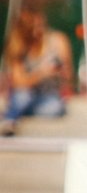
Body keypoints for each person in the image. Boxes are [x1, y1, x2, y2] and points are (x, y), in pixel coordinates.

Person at [2, 8, 70, 136]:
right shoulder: (19, 47)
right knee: (22, 96)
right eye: (32, 28)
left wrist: (59, 71)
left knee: (55, 108)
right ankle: (10, 120)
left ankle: (16, 111)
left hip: (48, 95)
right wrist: (42, 73)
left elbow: (67, 76)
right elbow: (19, 83)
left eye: (40, 25)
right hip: (25, 93)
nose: (38, 31)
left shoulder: (57, 40)